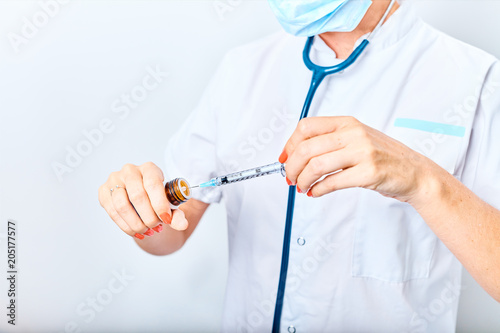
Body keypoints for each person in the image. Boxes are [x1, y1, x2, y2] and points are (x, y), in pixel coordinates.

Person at [98, 0, 500, 332]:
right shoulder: (242, 69)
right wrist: (140, 209)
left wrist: (423, 181)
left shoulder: (472, 78)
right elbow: (169, 234)